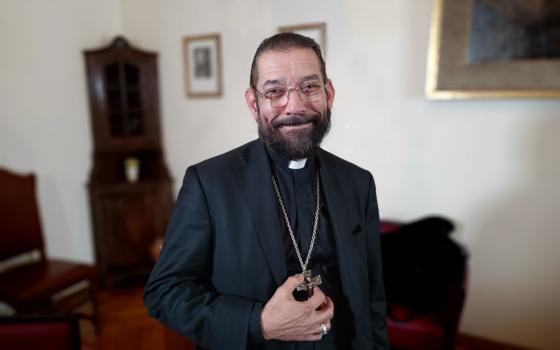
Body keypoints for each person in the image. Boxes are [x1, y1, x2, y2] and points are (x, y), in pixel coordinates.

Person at [144, 32, 388, 350]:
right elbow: (164, 293)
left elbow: (373, 296)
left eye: (310, 87)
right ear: (253, 102)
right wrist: (258, 322)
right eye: (274, 91)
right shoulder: (209, 183)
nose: (295, 106)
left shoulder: (358, 182)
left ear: (328, 93)